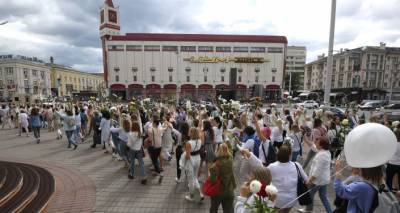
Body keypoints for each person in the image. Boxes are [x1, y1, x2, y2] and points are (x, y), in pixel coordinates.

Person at [298, 136, 332, 213]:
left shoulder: (322, 155)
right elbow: (313, 147)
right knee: (323, 197)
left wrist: (310, 180)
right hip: (323, 180)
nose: (315, 143)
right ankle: (329, 211)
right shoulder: (326, 152)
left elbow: (317, 171)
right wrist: (306, 140)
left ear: (321, 145)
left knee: (309, 194)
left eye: (317, 142)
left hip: (317, 180)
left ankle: (308, 210)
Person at [209, 143, 236, 213]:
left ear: (219, 151)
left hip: (218, 191)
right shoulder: (231, 160)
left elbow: (213, 180)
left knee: (213, 209)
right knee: (229, 210)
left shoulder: (216, 165)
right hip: (229, 190)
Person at [181, 127, 204, 202]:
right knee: (195, 177)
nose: (188, 132)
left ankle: (191, 196)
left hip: (191, 161)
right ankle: (200, 193)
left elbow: (187, 156)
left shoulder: (189, 143)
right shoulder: (199, 140)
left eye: (190, 131)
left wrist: (183, 160)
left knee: (190, 180)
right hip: (198, 159)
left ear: (192, 133)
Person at [147, 115, 164, 183]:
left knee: (155, 161)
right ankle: (157, 171)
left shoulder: (150, 130)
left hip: (154, 147)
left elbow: (150, 139)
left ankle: (160, 173)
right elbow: (163, 130)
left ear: (154, 123)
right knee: (156, 159)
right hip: (159, 146)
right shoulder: (160, 129)